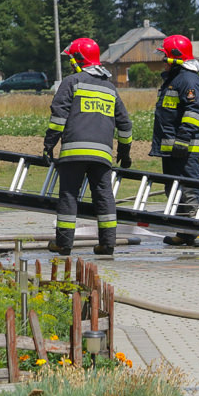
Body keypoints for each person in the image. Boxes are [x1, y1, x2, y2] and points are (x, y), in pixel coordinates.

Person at [43, 38, 133, 256]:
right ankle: (107, 244)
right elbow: (125, 123)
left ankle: (64, 244)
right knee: (104, 197)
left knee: (69, 196)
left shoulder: (72, 81)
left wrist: (49, 144)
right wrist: (124, 151)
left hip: (74, 152)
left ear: (78, 60)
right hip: (102, 155)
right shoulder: (110, 88)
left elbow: (59, 117)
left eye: (71, 59)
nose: (70, 63)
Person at [150, 34, 199, 247]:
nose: (162, 62)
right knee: (174, 190)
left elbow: (194, 112)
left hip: (184, 148)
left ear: (175, 58)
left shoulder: (188, 80)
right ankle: (184, 233)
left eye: (165, 57)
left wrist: (183, 140)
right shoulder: (174, 80)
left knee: (190, 189)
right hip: (172, 149)